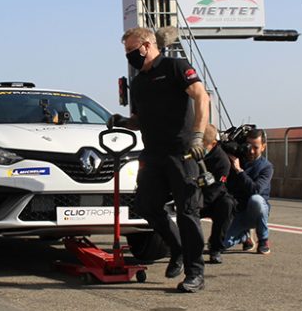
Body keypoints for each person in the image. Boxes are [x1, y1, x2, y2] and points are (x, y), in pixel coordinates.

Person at [109, 27, 210, 292]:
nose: (130, 56)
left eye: (131, 51)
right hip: (153, 154)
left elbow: (201, 96)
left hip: (182, 153)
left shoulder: (176, 67)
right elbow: (140, 119)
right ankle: (176, 249)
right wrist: (124, 122)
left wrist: (198, 137)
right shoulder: (139, 82)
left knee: (188, 212)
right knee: (146, 206)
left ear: (146, 46)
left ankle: (195, 273)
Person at [220, 128, 274, 255]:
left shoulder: (267, 167)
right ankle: (245, 237)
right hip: (239, 212)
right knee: (220, 244)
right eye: (248, 146)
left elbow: (255, 189)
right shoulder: (237, 159)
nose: (251, 150)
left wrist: (239, 170)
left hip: (256, 212)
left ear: (263, 147)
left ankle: (263, 240)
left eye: (255, 147)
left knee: (256, 200)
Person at [198, 124, 234, 264]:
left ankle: (216, 248)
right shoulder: (191, 153)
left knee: (227, 205)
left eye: (203, 145)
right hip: (191, 195)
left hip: (211, 199)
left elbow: (216, 188)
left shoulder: (222, 161)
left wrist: (199, 204)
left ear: (213, 144)